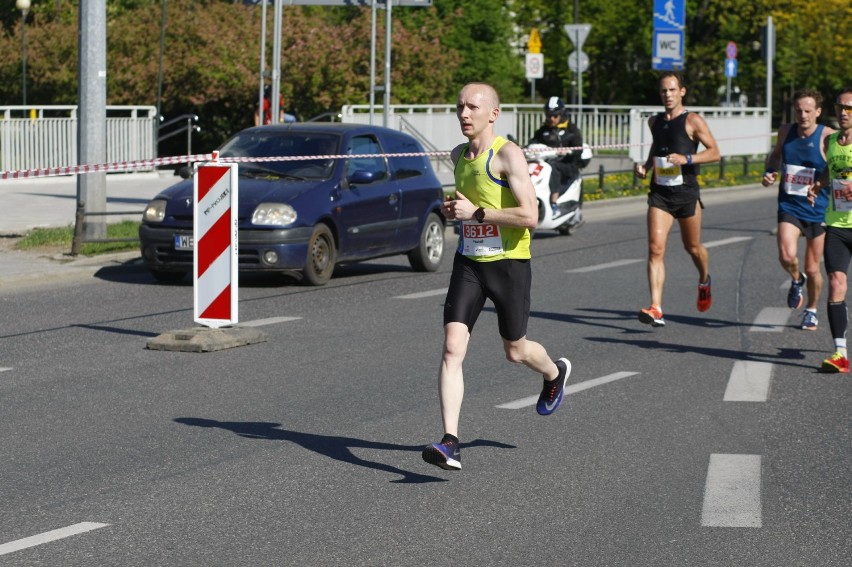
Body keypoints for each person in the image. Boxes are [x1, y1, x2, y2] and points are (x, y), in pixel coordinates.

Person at [421, 82, 571, 471]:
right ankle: (450, 442)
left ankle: (554, 373)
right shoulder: (457, 155)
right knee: (453, 347)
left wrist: (480, 213)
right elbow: (467, 206)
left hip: (509, 263)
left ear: (493, 113)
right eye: (459, 107)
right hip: (469, 262)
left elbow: (531, 217)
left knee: (515, 350)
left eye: (472, 107)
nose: (464, 114)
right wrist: (455, 209)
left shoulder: (507, 155)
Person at [634, 71, 721, 327]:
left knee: (692, 247)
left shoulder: (692, 120)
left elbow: (715, 153)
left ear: (682, 92)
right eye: (663, 91)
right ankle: (656, 307)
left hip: (686, 193)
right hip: (660, 193)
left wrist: (688, 159)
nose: (668, 95)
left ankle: (704, 278)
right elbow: (656, 148)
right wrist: (646, 166)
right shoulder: (654, 122)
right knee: (655, 249)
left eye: (672, 90)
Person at [762, 89, 835, 330]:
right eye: (798, 111)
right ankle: (796, 279)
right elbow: (774, 157)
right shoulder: (786, 131)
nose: (802, 115)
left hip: (819, 208)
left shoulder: (827, 137)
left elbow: (841, 168)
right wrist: (770, 172)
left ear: (818, 112)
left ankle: (812, 310)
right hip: (790, 204)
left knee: (813, 267)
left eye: (807, 111)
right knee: (786, 255)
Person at [806, 87, 852, 373]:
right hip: (837, 223)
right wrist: (819, 184)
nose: (844, 113)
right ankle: (840, 353)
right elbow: (832, 171)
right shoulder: (832, 141)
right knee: (836, 281)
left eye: (850, 109)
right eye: (841, 107)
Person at [528, 96, 584, 217]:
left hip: (567, 164)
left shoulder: (571, 130)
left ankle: (554, 203)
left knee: (553, 167)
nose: (551, 119)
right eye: (548, 115)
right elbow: (532, 143)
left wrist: (568, 151)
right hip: (545, 161)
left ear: (562, 114)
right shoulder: (544, 129)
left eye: (555, 116)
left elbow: (579, 150)